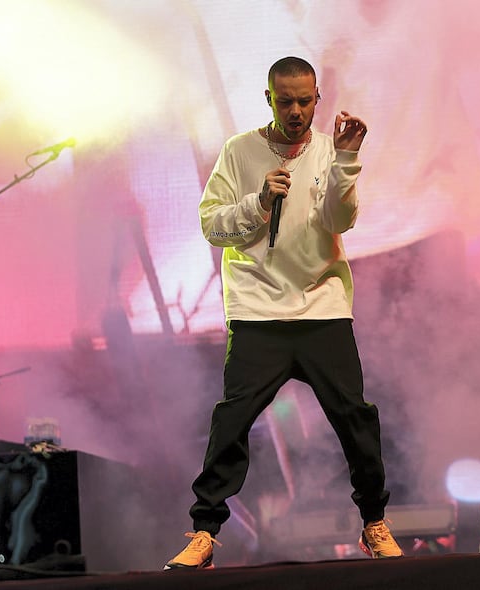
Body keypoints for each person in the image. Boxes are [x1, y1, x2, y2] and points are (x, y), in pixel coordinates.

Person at [164, 56, 402, 570]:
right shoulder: (239, 152)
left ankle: (374, 523)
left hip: (322, 307)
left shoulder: (328, 152)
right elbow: (212, 226)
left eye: (304, 100)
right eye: (285, 100)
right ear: (268, 99)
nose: (296, 111)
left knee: (356, 419)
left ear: (317, 98)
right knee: (231, 422)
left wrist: (345, 161)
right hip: (258, 312)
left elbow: (342, 219)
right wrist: (255, 203)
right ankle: (204, 532)